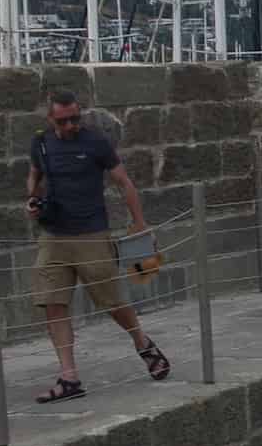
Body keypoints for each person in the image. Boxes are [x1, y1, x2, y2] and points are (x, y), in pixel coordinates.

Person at [25, 87, 167, 402]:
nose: (70, 126)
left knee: (112, 302)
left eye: (75, 118)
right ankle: (69, 377)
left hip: (91, 234)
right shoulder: (41, 143)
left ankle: (142, 342)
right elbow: (33, 176)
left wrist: (140, 223)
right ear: (50, 119)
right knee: (53, 303)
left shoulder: (95, 142)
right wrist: (32, 200)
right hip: (53, 236)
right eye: (62, 121)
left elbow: (124, 182)